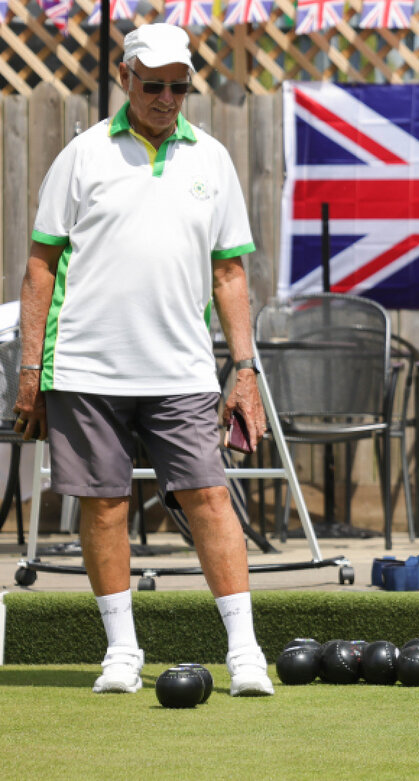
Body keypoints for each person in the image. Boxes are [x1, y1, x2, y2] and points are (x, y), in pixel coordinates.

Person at [13, 24, 274, 696]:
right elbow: (40, 269)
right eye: (152, 83)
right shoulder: (81, 156)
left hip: (182, 371)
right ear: (125, 76)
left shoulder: (212, 160)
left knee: (211, 498)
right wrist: (28, 372)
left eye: (178, 86)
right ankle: (122, 651)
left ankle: (245, 651)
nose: (165, 97)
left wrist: (243, 369)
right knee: (102, 508)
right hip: (85, 370)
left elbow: (230, 276)